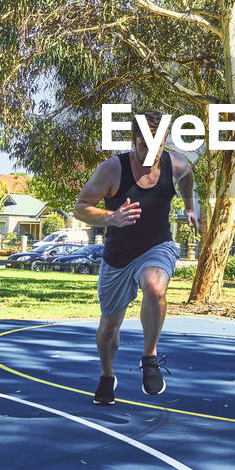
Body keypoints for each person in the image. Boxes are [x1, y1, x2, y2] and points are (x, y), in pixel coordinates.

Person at [74, 110, 198, 405]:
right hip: (118, 256)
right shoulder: (112, 170)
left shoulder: (176, 164)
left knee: (155, 288)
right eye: (144, 146)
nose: (151, 154)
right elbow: (80, 207)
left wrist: (190, 206)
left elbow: (188, 177)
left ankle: (150, 357)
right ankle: (107, 375)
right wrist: (110, 217)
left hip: (157, 246)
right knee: (108, 327)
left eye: (158, 146)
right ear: (134, 141)